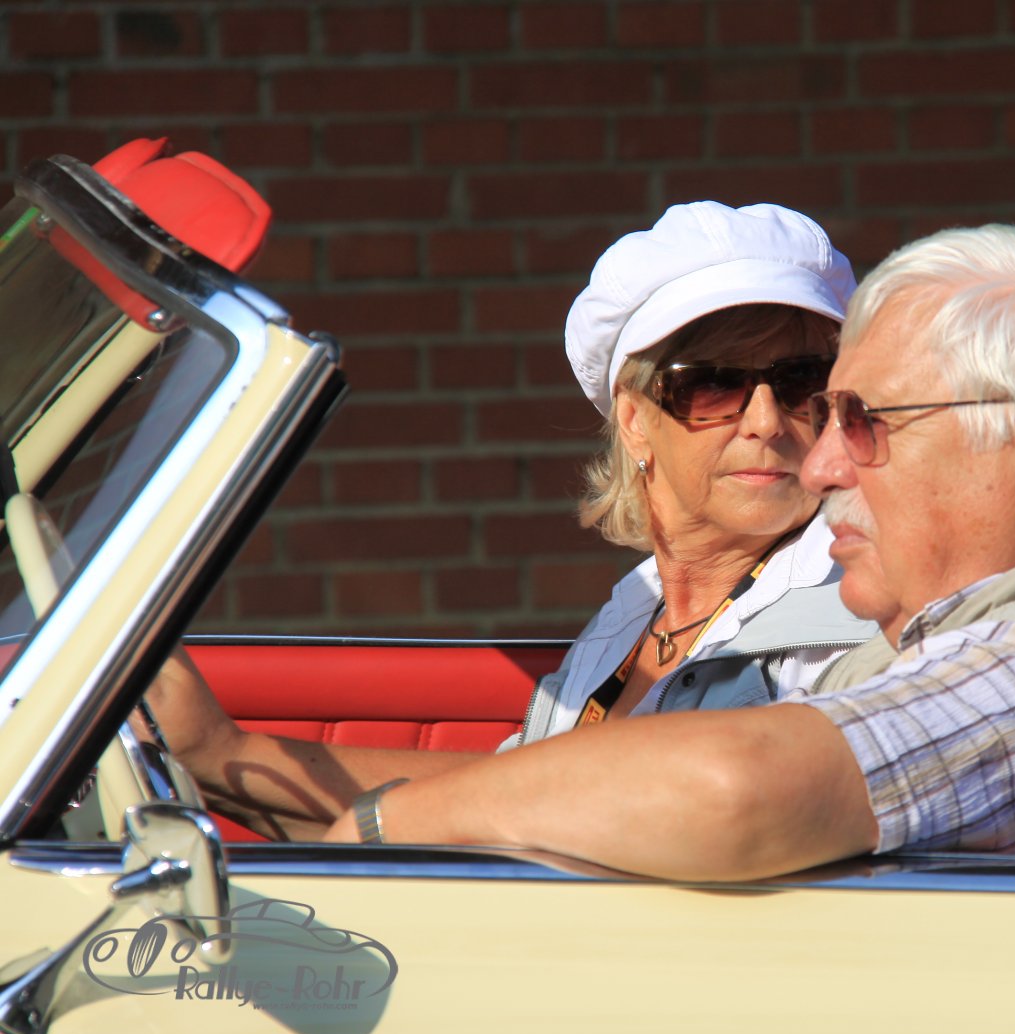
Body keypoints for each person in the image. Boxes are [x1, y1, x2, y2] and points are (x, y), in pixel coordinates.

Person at [313, 221, 1015, 876]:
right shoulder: (1006, 633)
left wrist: (379, 828)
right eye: (711, 383)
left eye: (862, 418)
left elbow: (731, 787)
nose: (816, 461)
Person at [150, 201, 878, 841]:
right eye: (713, 386)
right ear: (634, 420)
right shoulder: (632, 613)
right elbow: (500, 812)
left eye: (799, 382)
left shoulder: (861, 602)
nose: (765, 421)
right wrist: (218, 755)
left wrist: (227, 755)